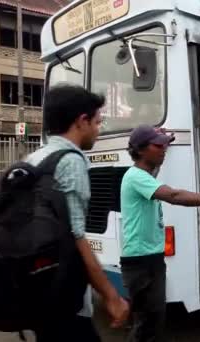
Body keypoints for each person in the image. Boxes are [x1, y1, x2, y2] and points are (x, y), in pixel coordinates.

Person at [121, 125, 200, 342]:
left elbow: (156, 167)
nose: (163, 149)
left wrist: (162, 138)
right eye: (158, 145)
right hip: (140, 264)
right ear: (141, 150)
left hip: (150, 259)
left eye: (164, 145)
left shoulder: (145, 174)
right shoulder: (135, 177)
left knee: (153, 323)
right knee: (145, 327)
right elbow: (174, 195)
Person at [25, 85, 129, 341]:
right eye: (97, 122)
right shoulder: (71, 161)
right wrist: (111, 296)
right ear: (82, 121)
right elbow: (76, 238)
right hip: (63, 295)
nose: (98, 129)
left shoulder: (34, 158)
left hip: (35, 288)